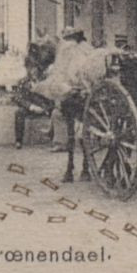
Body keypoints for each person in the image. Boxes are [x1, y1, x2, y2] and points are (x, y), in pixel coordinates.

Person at [32, 28, 105, 183]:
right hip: (92, 90)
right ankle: (84, 168)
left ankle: (73, 168)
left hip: (76, 94)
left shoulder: (67, 51)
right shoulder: (88, 50)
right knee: (78, 130)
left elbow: (63, 77)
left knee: (71, 129)